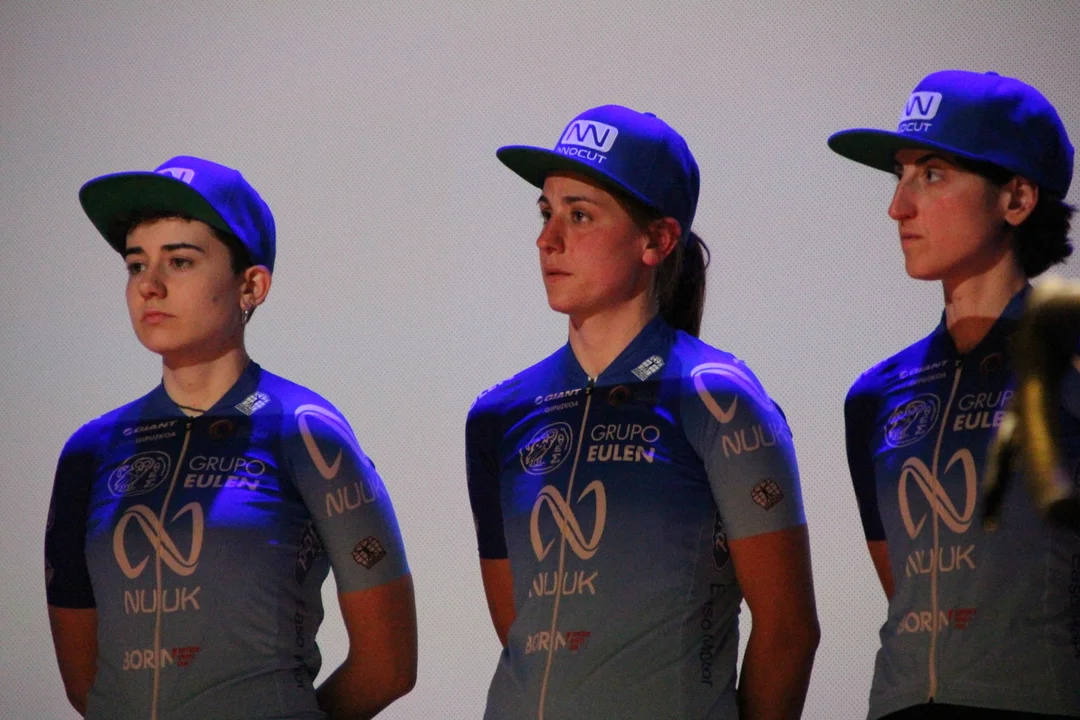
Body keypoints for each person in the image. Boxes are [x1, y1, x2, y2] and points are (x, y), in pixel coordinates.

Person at [465, 105, 820, 720]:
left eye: (580, 215)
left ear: (656, 240)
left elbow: (789, 632)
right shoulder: (497, 415)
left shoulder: (718, 398)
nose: (548, 239)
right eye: (547, 213)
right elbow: (526, 634)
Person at [45, 156, 417, 719]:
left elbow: (389, 667)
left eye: (180, 261)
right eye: (136, 263)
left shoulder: (306, 431)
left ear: (252, 285)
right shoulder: (88, 452)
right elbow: (86, 686)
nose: (149, 285)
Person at [830, 69, 1080, 719]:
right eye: (900, 175)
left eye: (933, 175)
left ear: (1017, 198)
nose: (898, 206)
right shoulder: (875, 396)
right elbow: (908, 591)